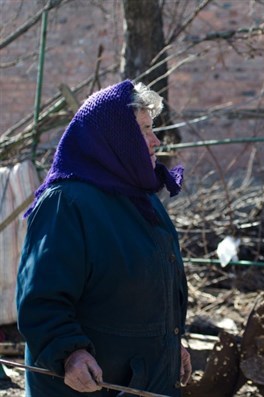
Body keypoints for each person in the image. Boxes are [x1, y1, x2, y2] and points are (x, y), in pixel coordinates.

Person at [16, 80, 192, 396]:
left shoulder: (143, 199)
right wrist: (68, 353)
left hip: (147, 380)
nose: (156, 141)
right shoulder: (66, 203)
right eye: (144, 131)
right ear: (113, 138)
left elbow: (161, 284)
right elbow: (41, 298)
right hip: (86, 386)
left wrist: (171, 345)